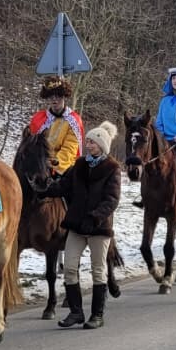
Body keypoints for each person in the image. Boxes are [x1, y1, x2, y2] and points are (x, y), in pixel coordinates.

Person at [40, 121, 122, 329]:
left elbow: (111, 200)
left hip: (98, 227)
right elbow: (64, 186)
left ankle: (97, 315)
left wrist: (94, 218)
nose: (88, 145)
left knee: (98, 270)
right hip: (76, 226)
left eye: (92, 142)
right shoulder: (79, 165)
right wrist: (44, 189)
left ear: (102, 145)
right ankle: (76, 312)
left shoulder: (112, 168)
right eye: (87, 142)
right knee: (69, 268)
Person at [28, 75, 85, 176]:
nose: (54, 100)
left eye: (58, 96)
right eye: (51, 97)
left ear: (63, 96)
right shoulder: (39, 118)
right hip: (38, 166)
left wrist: (51, 167)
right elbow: (31, 145)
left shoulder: (73, 121)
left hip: (62, 169)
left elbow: (69, 150)